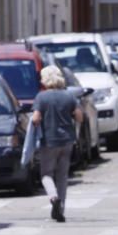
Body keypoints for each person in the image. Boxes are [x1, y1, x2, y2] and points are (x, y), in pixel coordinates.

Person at [31, 65, 84, 223]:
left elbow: (35, 118)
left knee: (46, 174)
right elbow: (79, 117)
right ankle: (60, 210)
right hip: (67, 140)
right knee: (62, 176)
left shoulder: (42, 97)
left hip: (49, 141)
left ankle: (54, 198)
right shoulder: (68, 96)